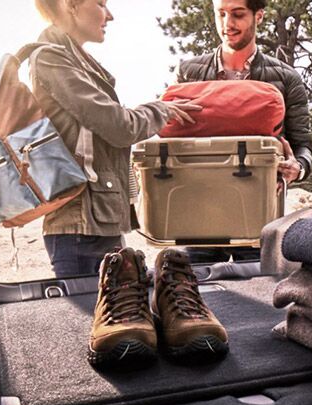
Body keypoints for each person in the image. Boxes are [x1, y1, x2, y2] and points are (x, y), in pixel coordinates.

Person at [32, 0, 201, 277]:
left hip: (98, 220)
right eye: (100, 4)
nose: (109, 15)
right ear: (71, 5)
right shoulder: (51, 58)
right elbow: (119, 126)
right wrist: (162, 108)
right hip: (80, 228)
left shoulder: (74, 59)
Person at [176, 0, 312, 263]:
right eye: (221, 14)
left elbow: (303, 146)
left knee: (257, 298)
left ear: (258, 16)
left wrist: (299, 166)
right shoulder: (189, 73)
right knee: (196, 295)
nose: (228, 24)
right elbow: (175, 140)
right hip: (199, 214)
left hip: (258, 217)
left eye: (238, 14)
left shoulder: (285, 78)